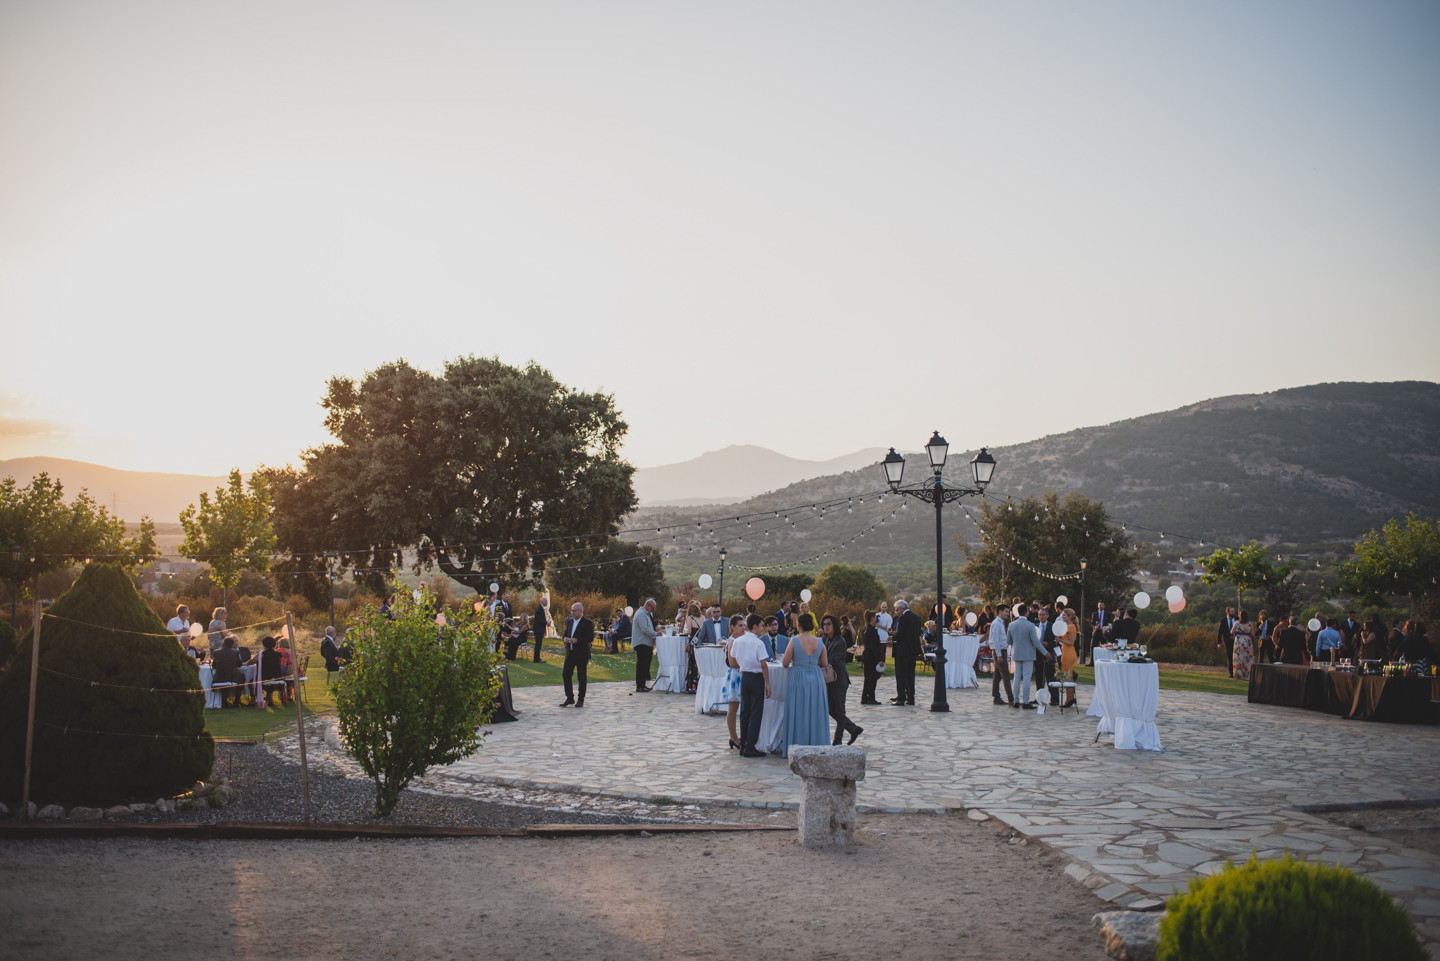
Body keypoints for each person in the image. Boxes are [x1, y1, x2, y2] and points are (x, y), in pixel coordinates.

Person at [782, 613, 831, 755]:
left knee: (798, 711)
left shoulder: (794, 640)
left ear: (799, 625)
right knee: (815, 710)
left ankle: (798, 744)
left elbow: (785, 662)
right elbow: (825, 663)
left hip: (798, 677)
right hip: (815, 678)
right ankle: (816, 744)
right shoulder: (820, 641)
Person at [732, 614, 771, 758]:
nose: (762, 629)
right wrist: (767, 684)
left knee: (745, 711)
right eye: (761, 626)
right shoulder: (758, 643)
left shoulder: (738, 641)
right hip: (755, 677)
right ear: (754, 626)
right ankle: (750, 745)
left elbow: (734, 658)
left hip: (744, 676)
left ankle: (743, 744)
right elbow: (763, 664)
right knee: (755, 712)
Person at [820, 614, 862, 745]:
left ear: (834, 626)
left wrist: (821, 661)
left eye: (828, 624)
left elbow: (834, 660)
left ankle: (837, 740)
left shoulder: (840, 641)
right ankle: (853, 729)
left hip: (839, 681)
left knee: (839, 710)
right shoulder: (825, 640)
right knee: (830, 710)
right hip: (829, 680)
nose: (826, 627)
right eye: (824, 624)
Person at [558, 602, 594, 708]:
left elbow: (590, 638)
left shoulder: (587, 623)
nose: (572, 613)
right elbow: (565, 634)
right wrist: (564, 639)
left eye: (574, 611)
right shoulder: (569, 621)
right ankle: (569, 697)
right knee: (566, 674)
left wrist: (577, 640)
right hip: (570, 653)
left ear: (580, 611)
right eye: (571, 611)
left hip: (581, 654)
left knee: (581, 677)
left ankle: (580, 699)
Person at [1007, 605, 1044, 708]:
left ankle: (1015, 700)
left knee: (1017, 677)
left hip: (1017, 653)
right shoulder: (1030, 625)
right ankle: (1026, 701)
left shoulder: (1011, 625)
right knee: (1027, 678)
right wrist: (1045, 652)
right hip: (1028, 654)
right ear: (1026, 613)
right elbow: (1036, 641)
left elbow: (1009, 640)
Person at [889, 600, 923, 706]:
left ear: (902, 608)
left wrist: (893, 636)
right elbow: (919, 632)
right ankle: (911, 697)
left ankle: (901, 698)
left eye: (897, 609)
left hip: (902, 650)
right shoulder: (916, 617)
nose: (896, 612)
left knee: (901, 675)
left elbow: (901, 634)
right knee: (910, 674)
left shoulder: (903, 618)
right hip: (913, 650)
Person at [720, 614, 746, 749]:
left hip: (742, 674)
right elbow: (732, 662)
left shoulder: (742, 640)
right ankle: (733, 737)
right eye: (740, 625)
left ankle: (741, 735)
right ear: (732, 627)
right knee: (733, 706)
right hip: (735, 675)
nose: (743, 628)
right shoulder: (732, 641)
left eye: (744, 625)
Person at [631, 597, 658, 693]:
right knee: (642, 664)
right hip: (642, 642)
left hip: (646, 642)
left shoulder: (645, 614)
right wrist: (656, 634)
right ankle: (640, 686)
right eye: (652, 608)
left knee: (645, 665)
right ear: (647, 606)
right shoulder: (641, 614)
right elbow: (645, 629)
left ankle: (642, 684)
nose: (653, 610)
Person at [858, 610, 885, 705]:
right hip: (871, 657)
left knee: (867, 677)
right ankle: (871, 697)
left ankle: (865, 697)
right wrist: (879, 660)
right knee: (872, 678)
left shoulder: (865, 629)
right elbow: (874, 647)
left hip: (867, 655)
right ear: (872, 618)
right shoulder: (872, 631)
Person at [989, 605, 1014, 706]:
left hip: (1002, 651)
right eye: (1006, 612)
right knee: (1006, 675)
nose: (1007, 614)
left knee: (998, 675)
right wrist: (999, 655)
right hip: (999, 651)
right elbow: (996, 640)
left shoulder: (1001, 623)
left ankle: (996, 696)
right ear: (1000, 611)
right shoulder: (996, 624)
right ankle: (1011, 698)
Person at [212, 635, 243, 708]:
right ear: (232, 644)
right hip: (232, 677)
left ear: (223, 643)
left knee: (224, 678)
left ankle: (224, 701)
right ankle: (236, 701)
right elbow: (239, 664)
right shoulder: (235, 652)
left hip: (219, 677)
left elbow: (213, 666)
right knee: (242, 678)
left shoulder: (217, 652)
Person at [259, 636, 288, 708]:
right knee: (272, 676)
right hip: (278, 677)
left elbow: (254, 661)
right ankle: (271, 698)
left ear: (264, 645)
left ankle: (255, 699)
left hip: (265, 677)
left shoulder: (263, 654)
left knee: (255, 680)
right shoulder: (278, 655)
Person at [1231, 610, 1256, 680]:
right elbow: (1253, 633)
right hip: (1247, 641)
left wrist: (1238, 631)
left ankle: (1239, 674)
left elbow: (1232, 631)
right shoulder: (1250, 623)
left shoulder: (1237, 623)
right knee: (1247, 658)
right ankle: (1248, 675)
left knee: (1238, 658)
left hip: (1239, 641)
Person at [1216, 606, 1238, 677]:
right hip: (1227, 641)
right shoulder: (1223, 620)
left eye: (1234, 611)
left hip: (1237, 640)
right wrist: (1219, 642)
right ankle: (1231, 673)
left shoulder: (1237, 619)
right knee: (1229, 655)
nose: (1233, 612)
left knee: (1237, 656)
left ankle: (1238, 671)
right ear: (1227, 612)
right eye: (1232, 611)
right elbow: (1220, 632)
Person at [531, 596, 550, 663]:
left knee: (538, 644)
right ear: (542, 601)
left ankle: (537, 658)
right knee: (538, 644)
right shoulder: (540, 609)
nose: (547, 602)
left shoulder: (540, 608)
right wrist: (546, 622)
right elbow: (539, 620)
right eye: (546, 601)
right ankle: (536, 659)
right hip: (538, 629)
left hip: (539, 629)